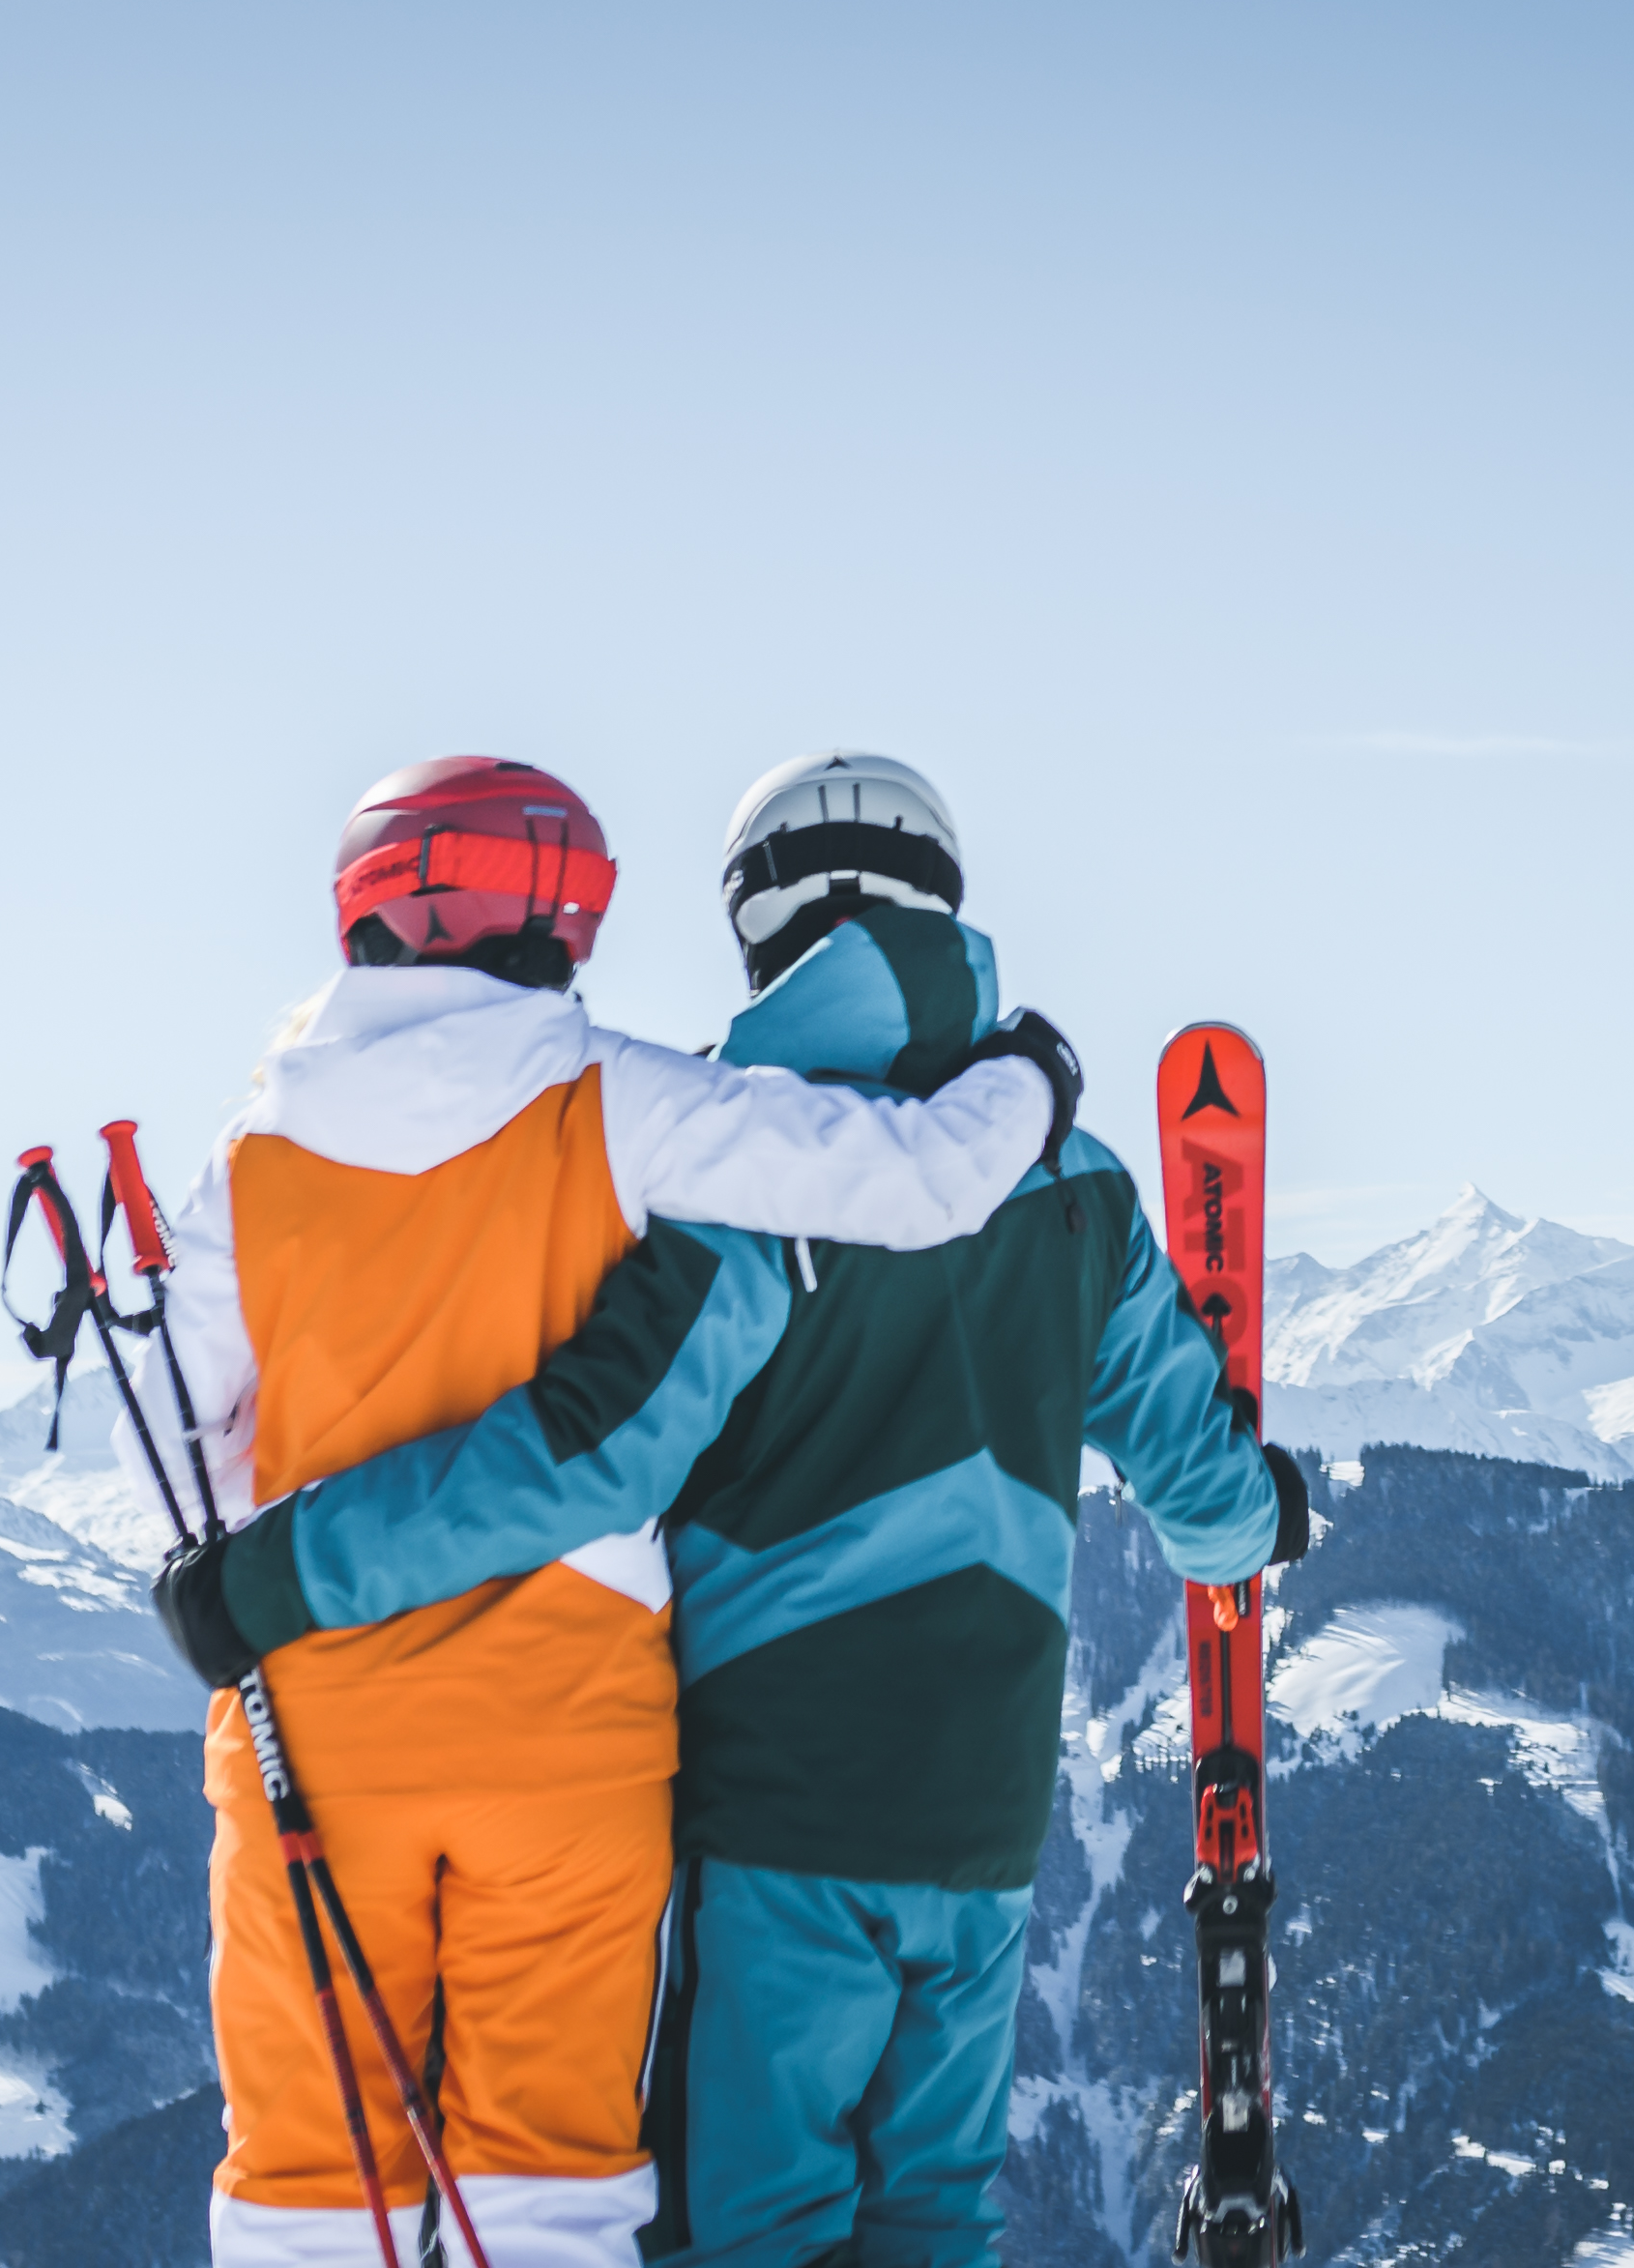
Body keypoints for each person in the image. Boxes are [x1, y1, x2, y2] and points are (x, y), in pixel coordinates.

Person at [153, 748, 1300, 2268]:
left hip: (773, 1798)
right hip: (986, 1813)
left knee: (753, 2223)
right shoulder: (1075, 1188)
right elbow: (1206, 1499)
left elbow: (593, 1452)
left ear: (760, 925)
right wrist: (1264, 1512)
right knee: (937, 2209)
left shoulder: (744, 1185)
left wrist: (276, 1571)